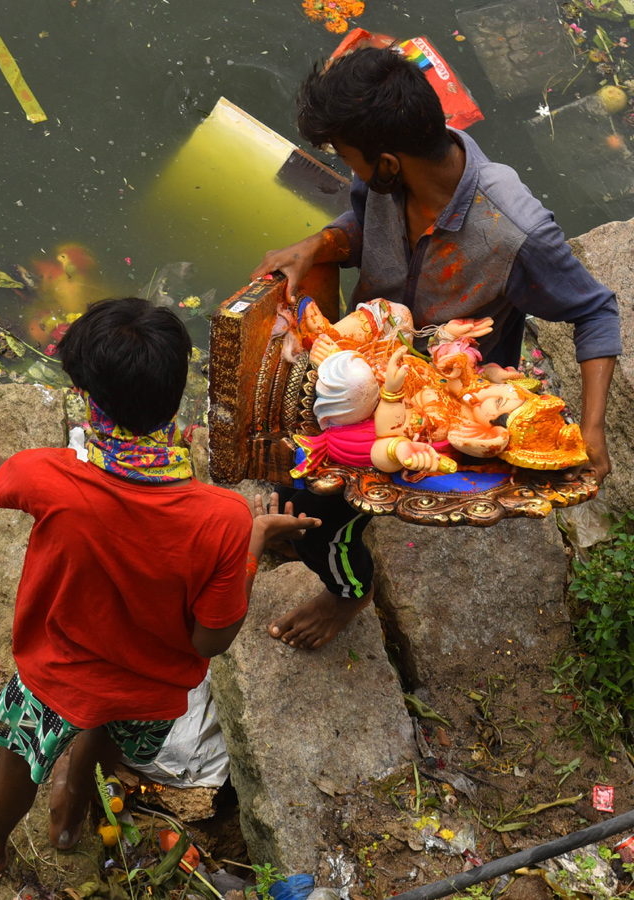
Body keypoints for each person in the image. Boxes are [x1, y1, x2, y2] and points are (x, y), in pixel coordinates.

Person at [250, 45, 621, 651]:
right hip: (373, 364)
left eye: (349, 159)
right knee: (300, 480)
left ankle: (349, 591)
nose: (351, 172)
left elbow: (594, 310)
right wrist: (318, 245)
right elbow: (360, 223)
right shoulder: (387, 185)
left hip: (449, 397)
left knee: (324, 510)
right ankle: (311, 528)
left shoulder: (514, 228)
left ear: (389, 161)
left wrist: (596, 426)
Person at [0, 297, 317, 875]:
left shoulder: (51, 476)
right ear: (174, 396)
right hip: (150, 689)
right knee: (108, 735)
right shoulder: (223, 518)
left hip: (58, 671)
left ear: (91, 401)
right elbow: (211, 640)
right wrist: (252, 543)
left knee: (20, 751)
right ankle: (73, 804)